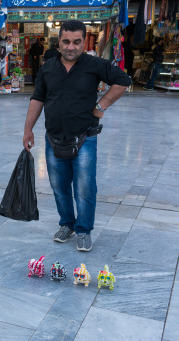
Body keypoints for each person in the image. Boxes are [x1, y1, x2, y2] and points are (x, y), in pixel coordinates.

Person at [22, 20, 130, 252]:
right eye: (66, 41)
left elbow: (123, 81)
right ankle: (67, 225)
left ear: (84, 42)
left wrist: (101, 105)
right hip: (53, 139)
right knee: (59, 187)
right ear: (59, 42)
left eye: (77, 42)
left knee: (84, 187)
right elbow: (37, 98)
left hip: (85, 138)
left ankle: (83, 231)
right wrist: (28, 129)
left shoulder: (95, 65)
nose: (71, 47)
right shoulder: (48, 68)